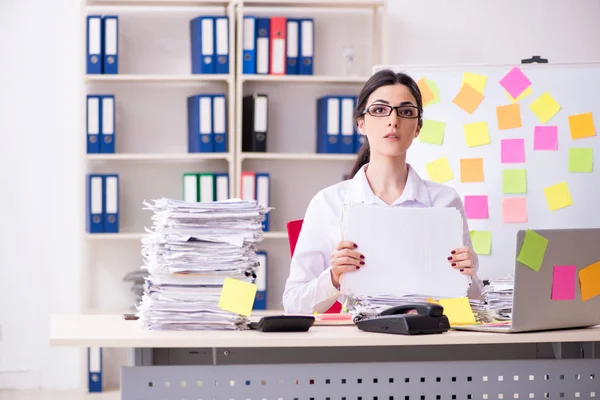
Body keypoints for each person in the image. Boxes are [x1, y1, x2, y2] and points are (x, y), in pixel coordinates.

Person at [282, 69, 485, 314]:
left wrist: (468, 276)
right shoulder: (328, 202)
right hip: (357, 342)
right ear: (361, 123)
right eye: (379, 110)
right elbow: (294, 305)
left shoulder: (445, 201)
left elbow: (475, 306)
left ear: (418, 127)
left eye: (406, 112)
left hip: (426, 337)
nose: (393, 121)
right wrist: (334, 277)